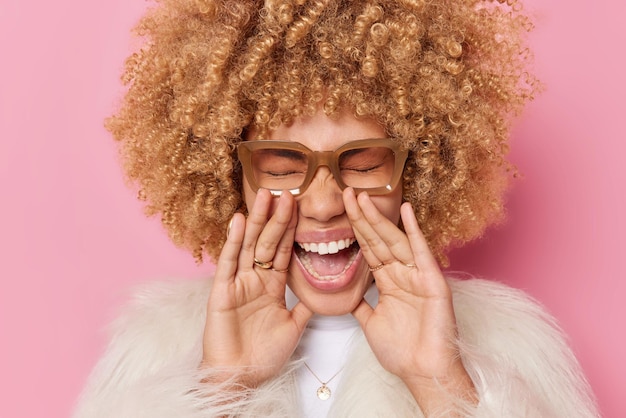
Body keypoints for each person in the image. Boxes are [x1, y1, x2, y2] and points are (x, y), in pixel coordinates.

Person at [74, 0, 600, 416]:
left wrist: (441, 387)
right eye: (281, 167)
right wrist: (219, 393)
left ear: (415, 172)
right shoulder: (153, 351)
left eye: (364, 162)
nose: (324, 204)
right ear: (229, 178)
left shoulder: (513, 349)